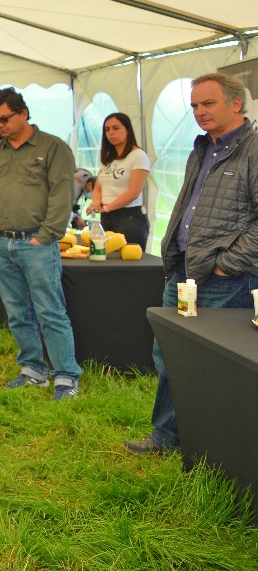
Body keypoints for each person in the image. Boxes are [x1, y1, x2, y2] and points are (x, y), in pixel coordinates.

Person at [125, 72, 258, 455]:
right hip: (184, 275)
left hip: (225, 280)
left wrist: (226, 264)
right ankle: (167, 438)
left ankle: (214, 450)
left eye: (208, 103)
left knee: (212, 364)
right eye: (195, 105)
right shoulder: (201, 148)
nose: (199, 112)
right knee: (170, 352)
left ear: (237, 103)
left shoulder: (253, 149)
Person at [0, 87, 81, 400]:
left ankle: (65, 377)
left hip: (35, 242)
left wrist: (45, 236)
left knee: (50, 310)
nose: (0, 126)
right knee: (17, 311)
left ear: (23, 112)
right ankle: (33, 370)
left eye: (5, 119)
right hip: (0, 243)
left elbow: (63, 195)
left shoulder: (52, 148)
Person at [85, 113, 151, 247]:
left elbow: (133, 193)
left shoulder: (138, 156)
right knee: (106, 260)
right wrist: (96, 203)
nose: (111, 133)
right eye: (107, 129)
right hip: (106, 218)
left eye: (116, 128)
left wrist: (108, 207)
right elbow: (98, 188)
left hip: (129, 218)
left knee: (129, 262)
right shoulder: (109, 158)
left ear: (127, 130)